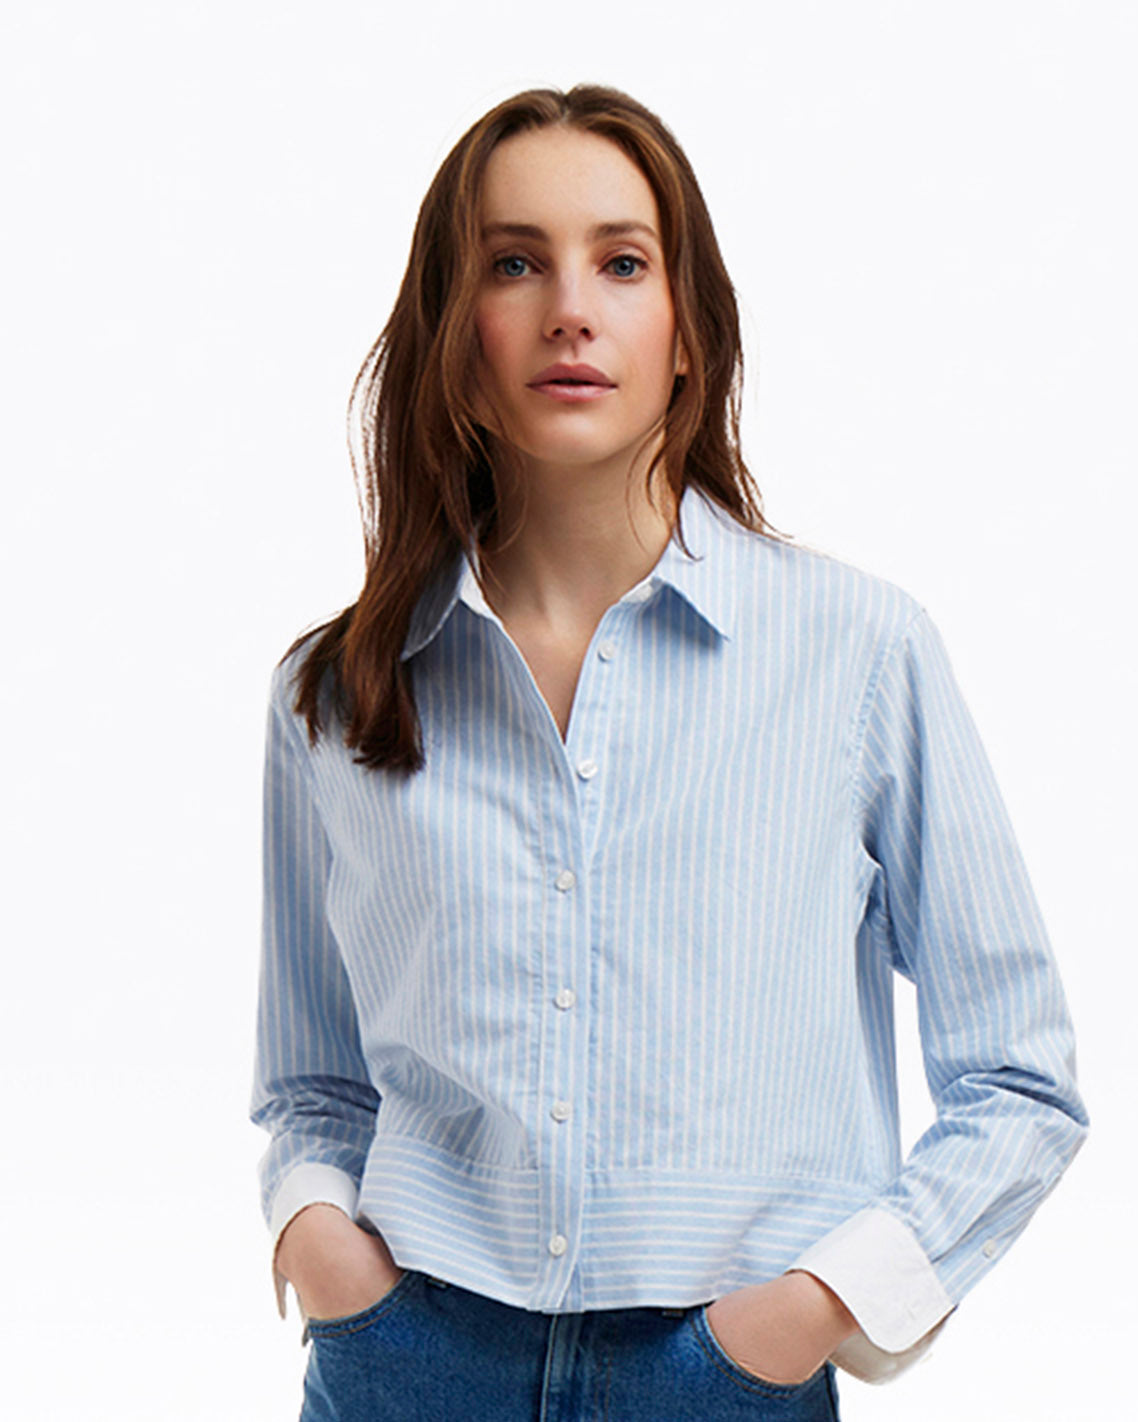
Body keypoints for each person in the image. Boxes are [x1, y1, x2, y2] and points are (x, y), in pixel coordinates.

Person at [250, 85, 1088, 1421]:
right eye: (513, 263)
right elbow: (312, 1080)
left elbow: (1019, 1077)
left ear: (689, 329)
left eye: (623, 263)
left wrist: (805, 1315)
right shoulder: (335, 691)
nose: (569, 309)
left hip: (723, 1374)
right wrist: (321, 1246)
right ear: (451, 330)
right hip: (408, 1363)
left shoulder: (858, 653)